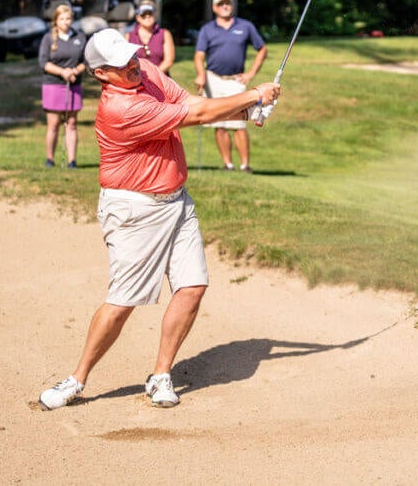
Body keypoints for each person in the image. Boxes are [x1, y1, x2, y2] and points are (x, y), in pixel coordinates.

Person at [38, 28, 279, 410]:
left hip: (176, 201)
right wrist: (253, 96)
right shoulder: (119, 109)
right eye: (121, 64)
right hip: (134, 210)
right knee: (123, 302)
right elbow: (196, 115)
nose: (133, 66)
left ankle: (161, 375)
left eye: (132, 56)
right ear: (101, 74)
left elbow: (189, 101)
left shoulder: (145, 69)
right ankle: (77, 379)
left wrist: (247, 111)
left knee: (193, 285)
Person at [193, 0, 268, 172]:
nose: (225, 6)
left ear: (232, 5)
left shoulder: (245, 26)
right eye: (221, 4)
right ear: (214, 7)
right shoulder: (207, 29)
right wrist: (201, 74)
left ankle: (244, 165)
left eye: (227, 3)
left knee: (239, 124)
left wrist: (250, 74)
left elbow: (262, 49)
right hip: (213, 79)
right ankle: (227, 164)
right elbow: (199, 55)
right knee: (219, 123)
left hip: (235, 80)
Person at [38, 4, 88, 169]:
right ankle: (49, 158)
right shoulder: (48, 39)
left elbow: (86, 61)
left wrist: (75, 71)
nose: (66, 22)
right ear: (56, 20)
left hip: (73, 84)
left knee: (72, 123)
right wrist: (62, 72)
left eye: (68, 19)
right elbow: (43, 63)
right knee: (54, 124)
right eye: (62, 19)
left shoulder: (79, 37)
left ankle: (72, 160)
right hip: (53, 85)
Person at [126, 0, 175, 75]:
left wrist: (153, 75)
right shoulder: (128, 36)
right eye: (144, 14)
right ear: (138, 17)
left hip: (160, 78)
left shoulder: (165, 34)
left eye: (150, 13)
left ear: (155, 16)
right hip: (136, 79)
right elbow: (125, 61)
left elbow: (169, 61)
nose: (147, 16)